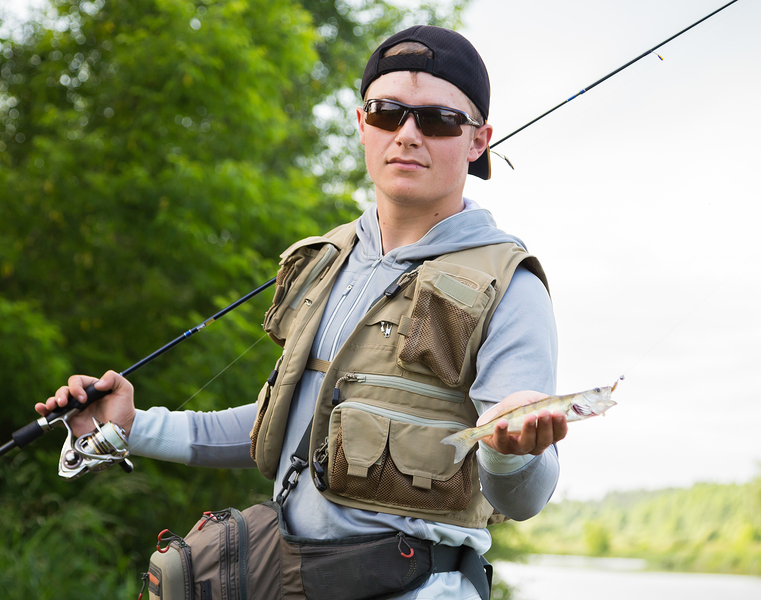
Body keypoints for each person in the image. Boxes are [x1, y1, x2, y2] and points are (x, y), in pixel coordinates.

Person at [37, 25, 564, 600]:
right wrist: (130, 426)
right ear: (363, 125)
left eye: (437, 120)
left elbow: (523, 499)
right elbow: (282, 427)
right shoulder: (327, 261)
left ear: (478, 140)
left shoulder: (510, 286)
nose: (407, 135)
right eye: (388, 113)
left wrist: (513, 453)